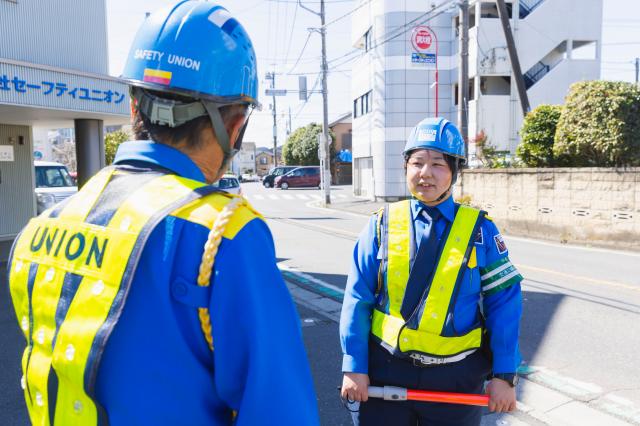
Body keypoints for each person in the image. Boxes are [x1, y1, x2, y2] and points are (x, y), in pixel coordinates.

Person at [7, 2, 319, 425]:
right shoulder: (223, 234)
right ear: (235, 126)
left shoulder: (41, 229)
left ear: (134, 108)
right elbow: (280, 411)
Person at [339, 117, 523, 425]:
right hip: (386, 371)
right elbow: (357, 297)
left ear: (454, 171)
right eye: (417, 162)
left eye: (438, 164)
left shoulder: (480, 230)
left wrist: (504, 374)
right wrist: (354, 365)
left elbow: (504, 303)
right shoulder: (381, 224)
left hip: (457, 379)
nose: (426, 173)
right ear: (406, 168)